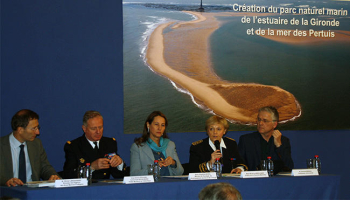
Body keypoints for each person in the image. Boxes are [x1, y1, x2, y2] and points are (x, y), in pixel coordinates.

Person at [0, 109, 60, 187]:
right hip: (7, 194)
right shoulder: (2, 145)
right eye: (33, 128)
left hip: (32, 193)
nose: (38, 132)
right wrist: (6, 181)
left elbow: (44, 167)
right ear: (20, 130)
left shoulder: (36, 144)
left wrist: (53, 176)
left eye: (38, 127)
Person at [63, 111, 125, 179]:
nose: (98, 132)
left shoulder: (109, 143)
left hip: (105, 187)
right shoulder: (74, 146)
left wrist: (120, 163)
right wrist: (91, 167)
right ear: (84, 129)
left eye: (100, 127)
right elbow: (68, 174)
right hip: (85, 188)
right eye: (93, 128)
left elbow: (118, 175)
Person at [238, 106, 294, 173]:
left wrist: (279, 146)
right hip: (254, 180)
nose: (260, 123)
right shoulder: (246, 140)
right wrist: (240, 168)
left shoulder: (283, 141)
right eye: (259, 119)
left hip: (277, 181)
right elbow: (240, 163)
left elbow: (289, 166)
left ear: (274, 124)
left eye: (265, 121)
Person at [130, 111, 184, 176]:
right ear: (148, 125)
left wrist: (173, 163)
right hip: (151, 185)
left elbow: (180, 172)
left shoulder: (170, 145)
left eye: (162, 125)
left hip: (170, 184)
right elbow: (134, 174)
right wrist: (154, 168)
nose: (159, 128)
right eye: (156, 124)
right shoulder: (138, 147)